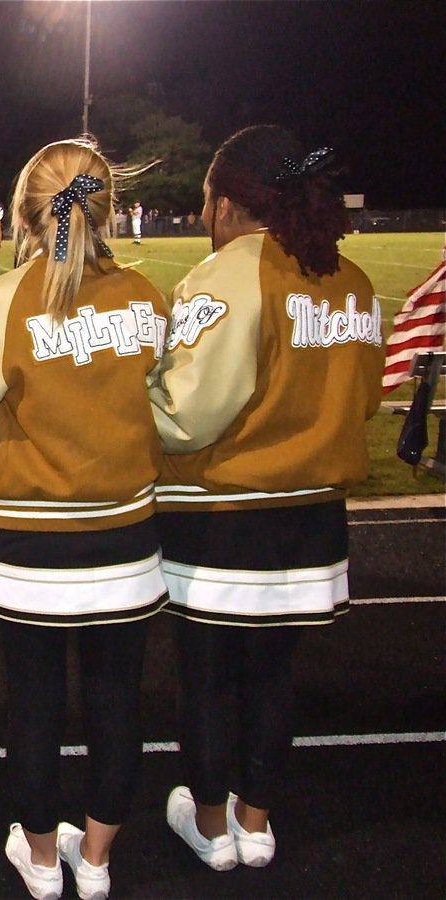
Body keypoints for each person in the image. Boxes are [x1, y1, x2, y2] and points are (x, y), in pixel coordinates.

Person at [0, 138, 168, 900]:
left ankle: (39, 859)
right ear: (105, 207)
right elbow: (162, 405)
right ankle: (95, 860)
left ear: (29, 212)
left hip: (32, 536)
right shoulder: (145, 294)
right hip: (127, 533)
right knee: (115, 703)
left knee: (32, 705)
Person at [148, 125, 384, 873]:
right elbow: (368, 399)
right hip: (313, 513)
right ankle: (258, 819)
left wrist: (130, 398)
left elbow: (187, 414)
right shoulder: (350, 278)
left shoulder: (227, 275)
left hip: (227, 511)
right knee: (274, 674)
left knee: (210, 677)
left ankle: (213, 825)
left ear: (224, 200)